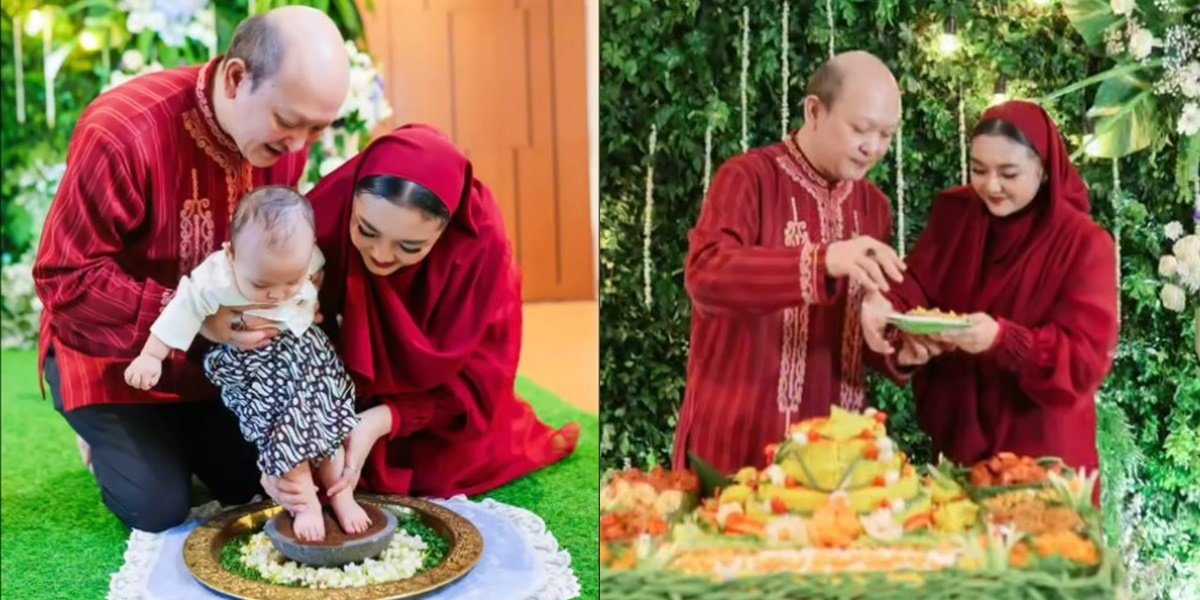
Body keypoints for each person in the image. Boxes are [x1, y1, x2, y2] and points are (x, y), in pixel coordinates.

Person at [33, 7, 351, 532]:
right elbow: (64, 278)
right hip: (110, 350)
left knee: (262, 481)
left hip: (218, 358)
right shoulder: (122, 132)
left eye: (317, 130)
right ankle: (104, 426)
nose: (298, 148)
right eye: (288, 124)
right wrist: (199, 320)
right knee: (156, 506)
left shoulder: (285, 145)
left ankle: (167, 431)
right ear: (235, 77)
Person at [261, 124, 579, 512]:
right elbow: (264, 305)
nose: (380, 255)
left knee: (440, 471)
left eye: (410, 247)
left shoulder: (480, 246)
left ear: (446, 232)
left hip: (433, 416)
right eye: (366, 231)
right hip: (335, 389)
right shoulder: (327, 208)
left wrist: (385, 419)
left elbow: (482, 381)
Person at [861, 100, 1118, 491]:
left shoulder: (1084, 244)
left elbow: (1084, 358)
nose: (990, 186)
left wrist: (1002, 340)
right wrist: (889, 311)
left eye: (1008, 173)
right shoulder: (957, 213)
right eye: (979, 170)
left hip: (1043, 458)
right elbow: (916, 285)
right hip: (960, 450)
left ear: (1044, 169)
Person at [673, 51, 907, 475]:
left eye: (887, 135)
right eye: (860, 129)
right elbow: (707, 275)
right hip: (735, 446)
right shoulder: (747, 178)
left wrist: (897, 340)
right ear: (814, 111)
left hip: (834, 460)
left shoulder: (874, 207)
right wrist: (823, 260)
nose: (873, 147)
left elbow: (866, 331)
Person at [123, 186, 365, 541]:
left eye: (291, 281)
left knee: (327, 418)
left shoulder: (305, 258)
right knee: (284, 426)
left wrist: (307, 296)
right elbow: (182, 307)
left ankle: (340, 490)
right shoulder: (215, 278)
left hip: (306, 354)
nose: (277, 294)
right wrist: (151, 355)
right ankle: (305, 500)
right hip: (255, 366)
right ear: (232, 254)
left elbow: (318, 270)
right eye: (262, 284)